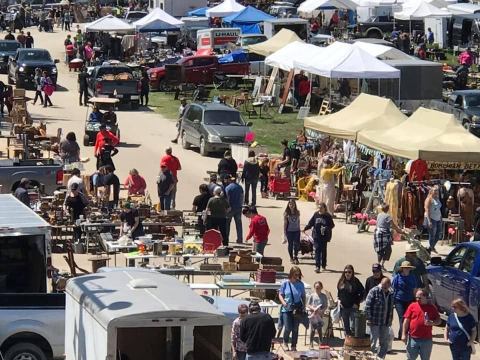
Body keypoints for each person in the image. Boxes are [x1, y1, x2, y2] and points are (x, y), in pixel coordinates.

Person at [402, 289, 441, 360]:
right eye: (416, 297)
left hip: (426, 340)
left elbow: (439, 321)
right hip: (413, 338)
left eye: (419, 298)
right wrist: (403, 334)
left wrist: (432, 323)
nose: (417, 299)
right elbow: (406, 321)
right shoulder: (412, 306)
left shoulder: (432, 308)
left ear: (425, 296)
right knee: (410, 358)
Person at [365, 277, 394, 360]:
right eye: (383, 285)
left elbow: (391, 308)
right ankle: (369, 358)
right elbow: (367, 306)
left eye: (386, 286)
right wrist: (369, 318)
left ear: (389, 285)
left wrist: (390, 320)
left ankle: (380, 358)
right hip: (374, 321)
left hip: (385, 322)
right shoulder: (374, 291)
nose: (384, 287)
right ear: (381, 283)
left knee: (384, 343)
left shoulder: (391, 293)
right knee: (372, 342)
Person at [279, 266, 306, 352]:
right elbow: (281, 294)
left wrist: (304, 306)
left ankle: (294, 345)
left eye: (298, 274)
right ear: (291, 274)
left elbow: (303, 296)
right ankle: (285, 342)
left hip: (297, 308)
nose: (297, 276)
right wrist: (283, 302)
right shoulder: (285, 283)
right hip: (287, 308)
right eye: (295, 274)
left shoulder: (300, 284)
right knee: (288, 327)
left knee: (295, 328)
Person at [303, 202, 335, 273]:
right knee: (317, 250)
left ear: (324, 208)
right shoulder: (316, 214)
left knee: (323, 251)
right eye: (319, 207)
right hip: (316, 236)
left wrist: (326, 228)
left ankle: (323, 265)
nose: (320, 209)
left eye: (321, 207)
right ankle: (317, 266)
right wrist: (305, 228)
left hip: (324, 237)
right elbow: (311, 223)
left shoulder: (328, 216)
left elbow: (332, 225)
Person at [393, 261, 419, 340]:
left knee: (408, 317)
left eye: (408, 268)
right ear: (402, 269)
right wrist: (392, 301)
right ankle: (402, 334)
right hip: (399, 300)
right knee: (402, 317)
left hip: (410, 300)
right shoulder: (397, 277)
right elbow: (393, 289)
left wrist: (416, 300)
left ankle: (404, 333)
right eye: (405, 268)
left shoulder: (413, 277)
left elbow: (415, 289)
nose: (407, 269)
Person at [375, 203, 406, 269]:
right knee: (388, 249)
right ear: (388, 209)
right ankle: (381, 264)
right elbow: (393, 225)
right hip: (384, 233)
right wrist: (399, 231)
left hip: (377, 233)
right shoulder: (387, 216)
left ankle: (379, 264)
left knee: (380, 250)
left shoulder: (379, 215)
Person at [337, 264, 365, 336]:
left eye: (349, 272)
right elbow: (339, 293)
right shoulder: (341, 281)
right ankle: (347, 343)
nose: (347, 274)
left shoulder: (356, 281)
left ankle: (353, 343)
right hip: (344, 307)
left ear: (352, 272)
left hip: (353, 307)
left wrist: (357, 302)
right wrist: (339, 301)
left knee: (353, 327)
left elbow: (363, 292)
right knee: (346, 328)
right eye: (346, 272)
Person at [307, 281, 328, 348]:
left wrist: (322, 311)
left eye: (318, 288)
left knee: (319, 329)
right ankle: (311, 343)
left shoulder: (323, 296)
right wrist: (313, 308)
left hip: (320, 314)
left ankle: (320, 342)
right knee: (313, 329)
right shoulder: (312, 295)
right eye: (316, 288)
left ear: (321, 288)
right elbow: (308, 304)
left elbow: (325, 306)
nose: (317, 289)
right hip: (313, 314)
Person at [225, 176, 244, 244]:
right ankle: (240, 239)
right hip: (238, 208)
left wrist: (227, 207)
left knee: (227, 224)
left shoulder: (228, 188)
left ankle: (226, 238)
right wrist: (241, 205)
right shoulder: (240, 187)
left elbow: (227, 198)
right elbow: (242, 197)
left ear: (230, 180)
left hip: (230, 208)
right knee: (239, 224)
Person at [424, 185, 442, 253]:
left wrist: (441, 217)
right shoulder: (429, 199)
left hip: (438, 218)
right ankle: (431, 249)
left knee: (438, 235)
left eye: (437, 190)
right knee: (432, 235)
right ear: (431, 191)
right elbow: (427, 210)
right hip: (432, 219)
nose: (436, 192)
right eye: (435, 190)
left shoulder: (437, 198)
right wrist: (429, 221)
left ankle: (431, 247)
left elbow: (438, 209)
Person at [284, 199, 301, 264]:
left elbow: (298, 221)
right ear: (288, 205)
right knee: (290, 245)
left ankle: (295, 256)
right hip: (289, 231)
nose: (291, 205)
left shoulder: (297, 212)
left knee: (296, 244)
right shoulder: (286, 213)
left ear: (295, 205)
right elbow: (285, 224)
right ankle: (291, 257)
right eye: (290, 204)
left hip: (297, 231)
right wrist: (284, 233)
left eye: (293, 204)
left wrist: (299, 229)